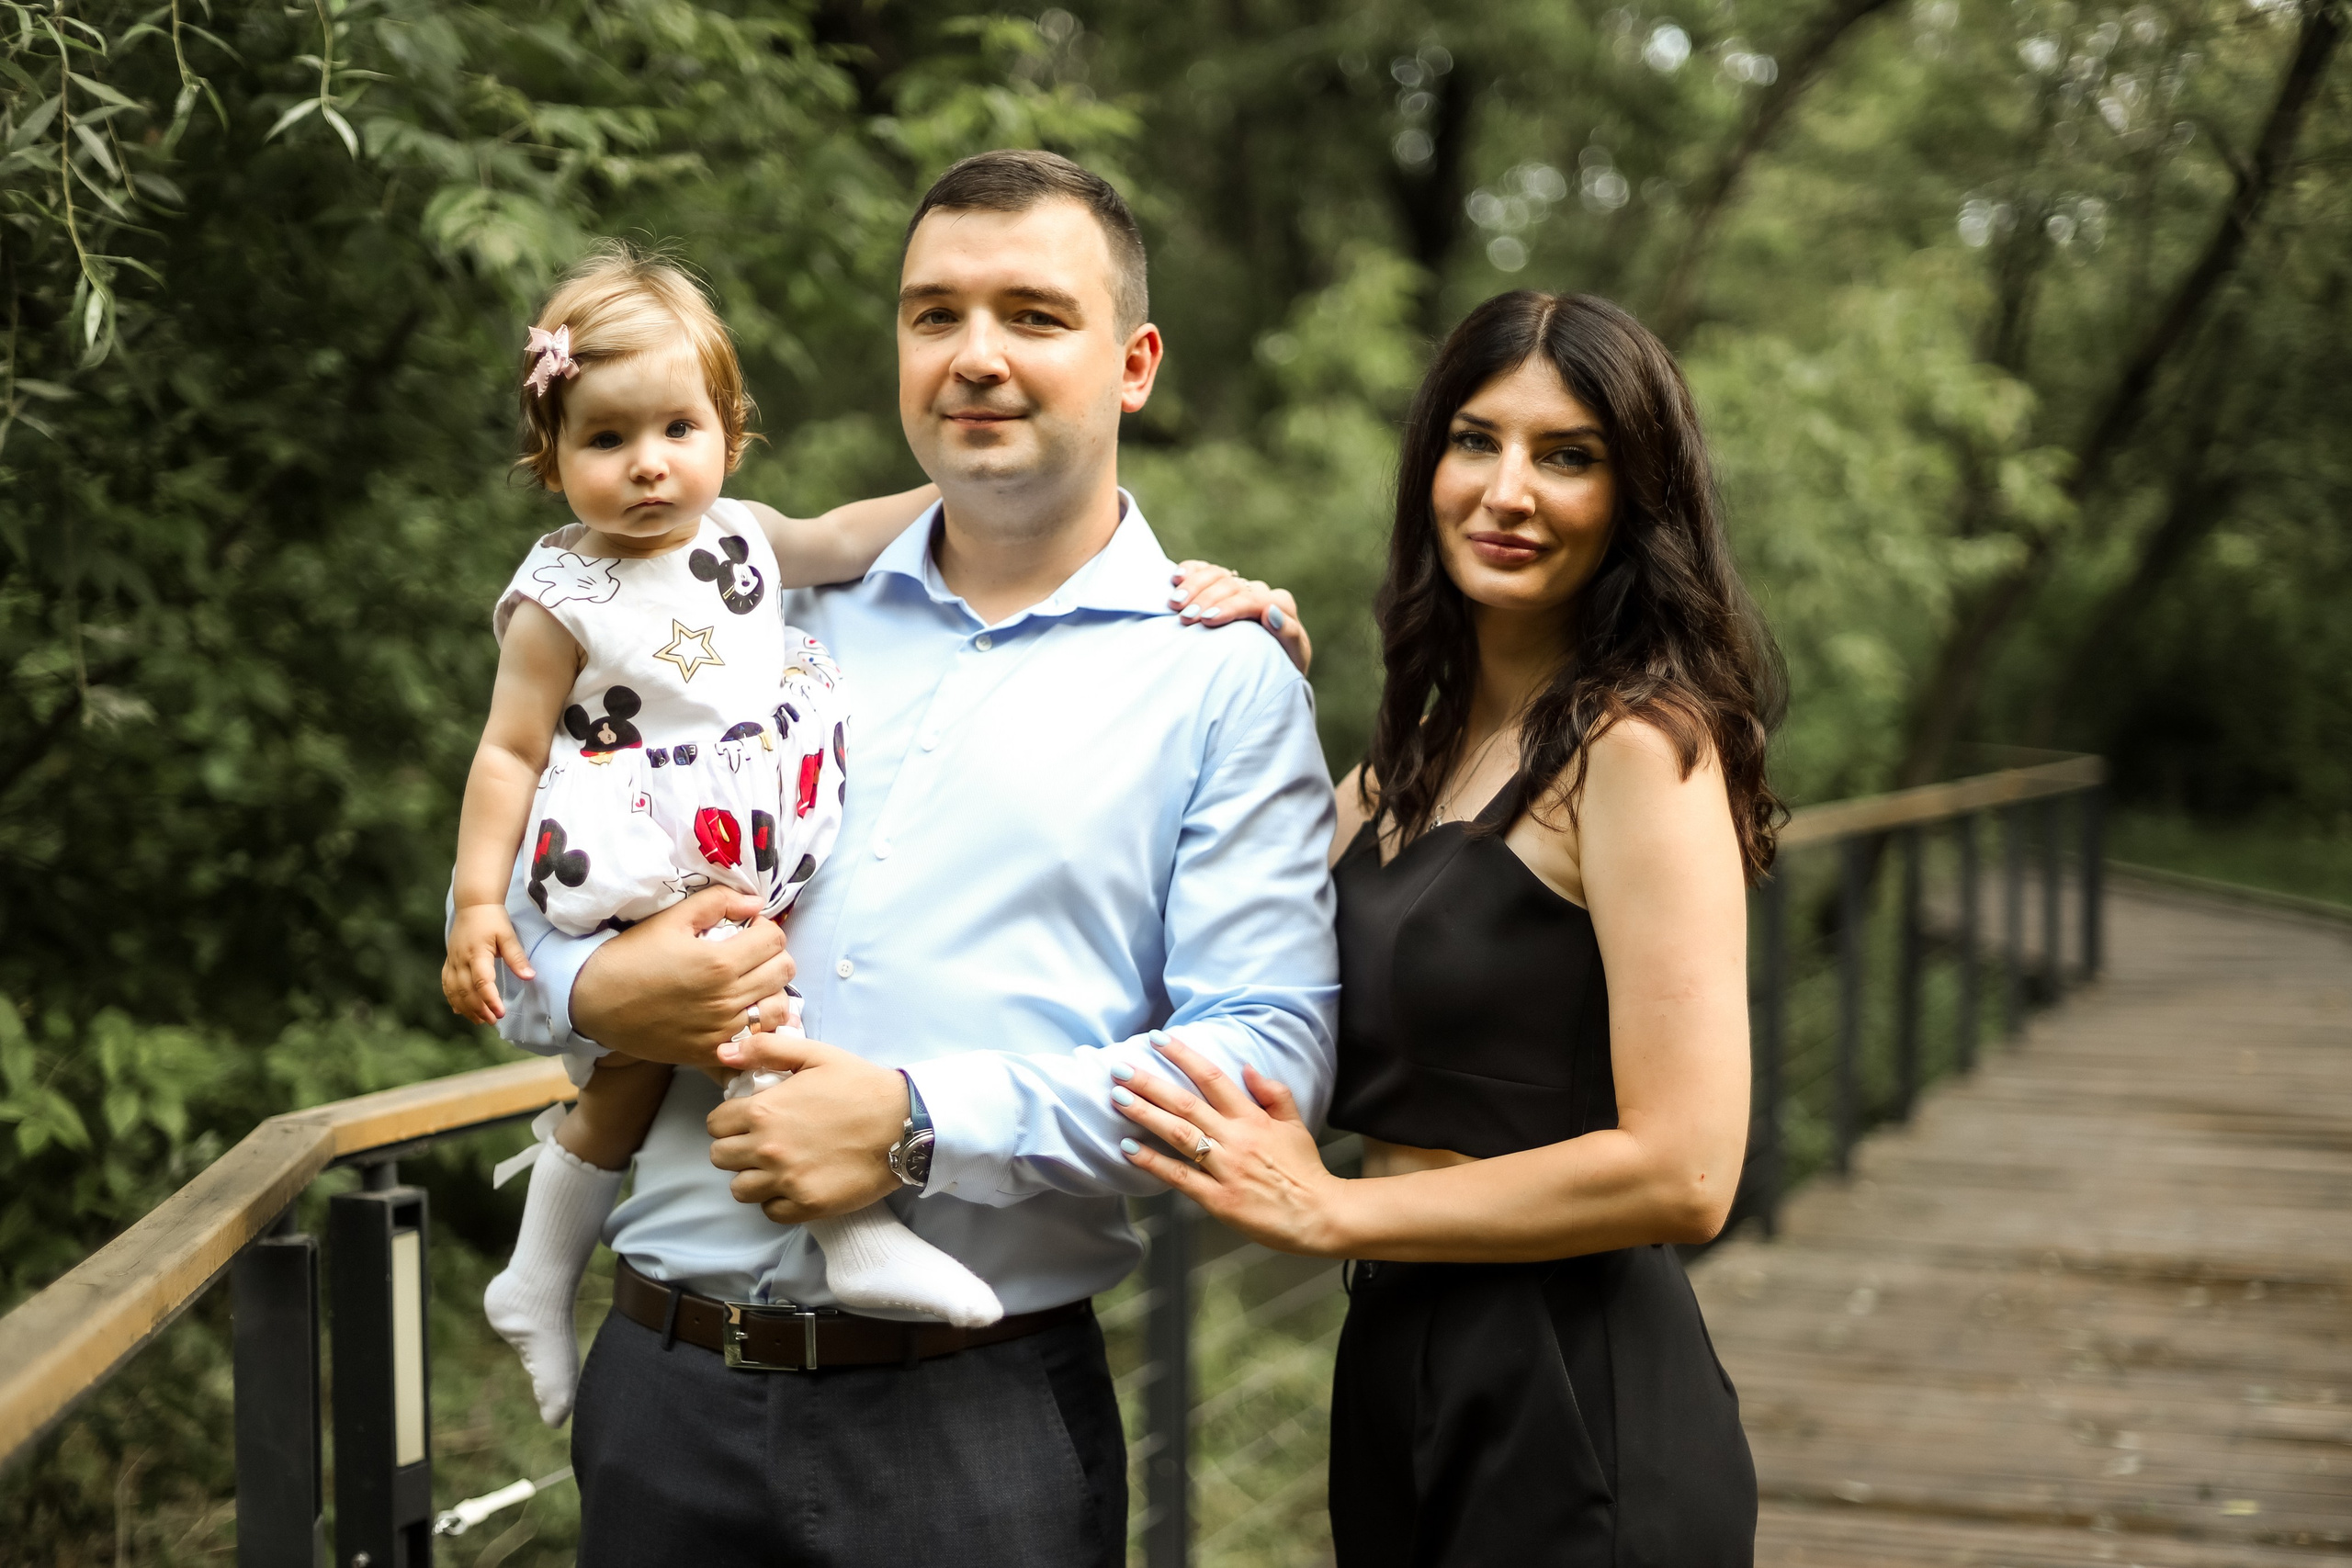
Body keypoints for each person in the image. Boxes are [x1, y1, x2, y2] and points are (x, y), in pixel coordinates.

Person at [481, 150, 1337, 1566]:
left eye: (1033, 316)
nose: (974, 355)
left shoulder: (1220, 680)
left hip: (972, 1429)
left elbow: (1265, 1060)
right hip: (661, 1397)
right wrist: (596, 994)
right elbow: (526, 914)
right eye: (935, 314)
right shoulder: (741, 613)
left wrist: (918, 1117)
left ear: (1133, 365)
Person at [1108, 291, 1778, 1565]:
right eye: (1477, 441)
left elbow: (1688, 1172)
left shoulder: (1639, 749)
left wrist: (1330, 1211)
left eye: (1567, 455)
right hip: (1400, 1361)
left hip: (1572, 1389)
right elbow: (1188, 951)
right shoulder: (1405, 767)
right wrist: (1239, 685)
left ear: (1634, 498)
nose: (1507, 491)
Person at [440, 245, 1012, 1428]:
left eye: (677, 429)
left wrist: (964, 489)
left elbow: (846, 534)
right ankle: (854, 1234)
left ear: (729, 434)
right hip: (639, 843)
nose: (648, 464)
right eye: (606, 439)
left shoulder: (742, 535)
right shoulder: (561, 600)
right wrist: (481, 903)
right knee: (746, 1006)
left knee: (632, 1076)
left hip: (740, 823)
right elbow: (507, 753)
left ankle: (534, 1275)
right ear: (551, 457)